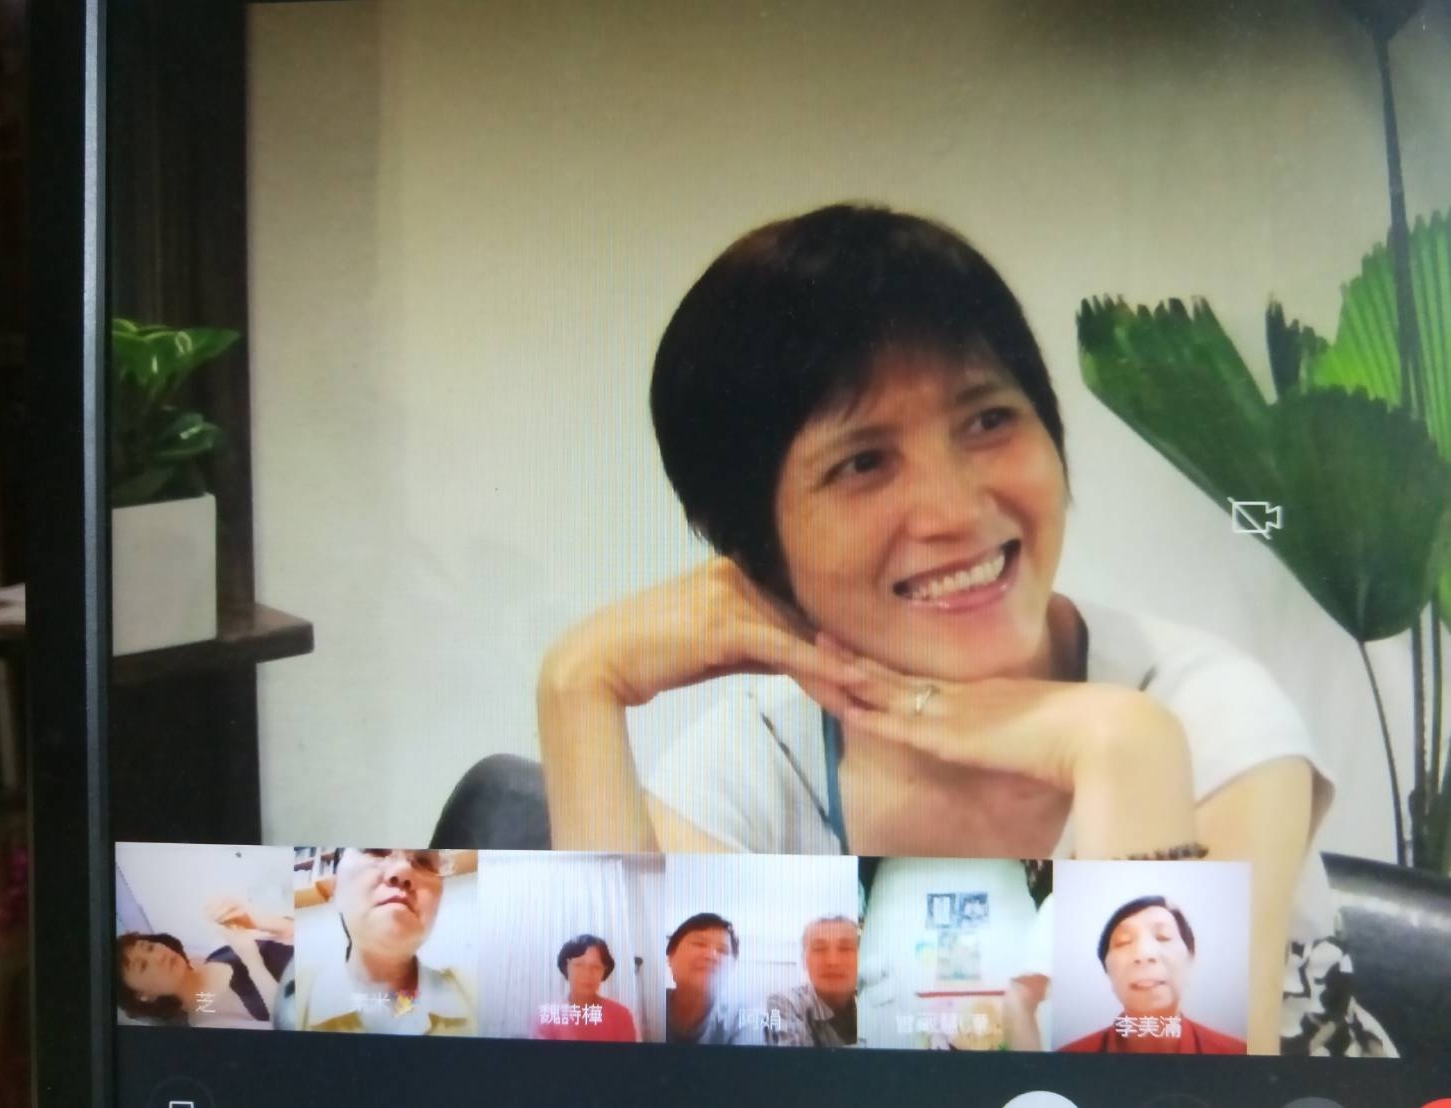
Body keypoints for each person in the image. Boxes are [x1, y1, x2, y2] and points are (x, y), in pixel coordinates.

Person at [537, 203, 1343, 1054]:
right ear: (756, 549)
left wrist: (1122, 748)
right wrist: (577, 687)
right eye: (861, 462)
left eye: (987, 420)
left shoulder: (1207, 714)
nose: (956, 510)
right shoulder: (757, 762)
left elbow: (1174, 1091)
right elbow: (623, 1081)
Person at [291, 848, 475, 1035]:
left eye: (424, 861)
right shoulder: (293, 999)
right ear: (335, 889)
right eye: (375, 851)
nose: (403, 870)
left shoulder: (480, 996)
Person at [1058, 896, 1245, 1054]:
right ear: (1107, 971)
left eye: (1163, 937)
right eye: (1123, 942)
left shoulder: (1236, 1054)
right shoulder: (1069, 1059)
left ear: (1190, 959)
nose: (1144, 954)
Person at [115, 898, 294, 1026]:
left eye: (149, 947)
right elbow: (286, 1028)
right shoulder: (208, 1020)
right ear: (144, 996)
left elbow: (294, 933)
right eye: (143, 966)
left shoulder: (210, 955)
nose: (158, 956)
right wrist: (252, 961)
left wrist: (256, 921)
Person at [766, 915, 861, 1047]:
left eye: (845, 948)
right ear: (804, 960)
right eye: (819, 949)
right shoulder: (784, 1003)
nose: (832, 961)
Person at [664, 912, 758, 1045]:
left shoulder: (743, 1018)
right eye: (699, 944)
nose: (711, 955)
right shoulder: (644, 1007)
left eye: (723, 951)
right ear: (671, 957)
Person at [534, 933, 639, 1042]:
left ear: (604, 971)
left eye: (595, 967)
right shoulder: (547, 1016)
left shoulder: (621, 1015)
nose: (587, 974)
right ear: (566, 968)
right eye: (578, 965)